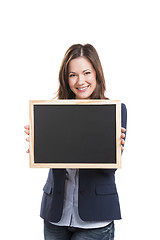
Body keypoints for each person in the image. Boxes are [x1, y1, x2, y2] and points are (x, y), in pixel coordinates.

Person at [24, 43, 127, 240]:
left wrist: (111, 149)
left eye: (86, 72)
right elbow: (50, 162)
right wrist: (40, 145)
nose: (80, 81)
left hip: (95, 218)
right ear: (66, 78)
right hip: (56, 216)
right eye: (73, 75)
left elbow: (108, 171)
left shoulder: (114, 111)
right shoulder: (52, 113)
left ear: (97, 74)